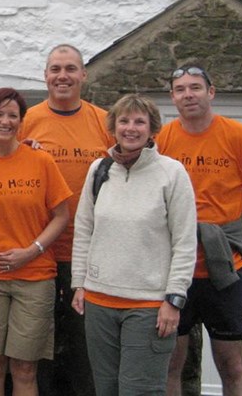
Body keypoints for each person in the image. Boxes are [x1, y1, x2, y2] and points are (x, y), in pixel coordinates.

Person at [157, 65, 242, 396]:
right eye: (180, 89)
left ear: (211, 92)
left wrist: (220, 230)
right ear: (172, 97)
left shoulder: (238, 136)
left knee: (232, 365)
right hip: (176, 270)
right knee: (170, 364)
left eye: (195, 87)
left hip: (227, 269)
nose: (188, 95)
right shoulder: (163, 139)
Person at [71, 94, 197, 396]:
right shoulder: (99, 170)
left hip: (148, 306)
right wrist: (79, 283)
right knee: (106, 389)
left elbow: (184, 242)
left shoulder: (172, 173)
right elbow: (84, 229)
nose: (131, 128)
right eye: (124, 121)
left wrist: (174, 299)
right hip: (99, 303)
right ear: (113, 127)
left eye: (139, 122)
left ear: (152, 129)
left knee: (139, 391)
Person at [20, 44, 114, 396]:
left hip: (90, 255)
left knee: (85, 351)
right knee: (37, 351)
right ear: (45, 76)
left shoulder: (104, 122)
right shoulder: (27, 121)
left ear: (83, 75)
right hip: (38, 252)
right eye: (56, 69)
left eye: (70, 69)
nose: (63, 76)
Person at [0, 88, 71, 396]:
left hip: (35, 278)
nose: (5, 121)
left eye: (12, 115)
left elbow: (61, 216)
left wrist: (31, 251)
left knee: (24, 368)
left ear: (21, 121)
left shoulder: (41, 160)